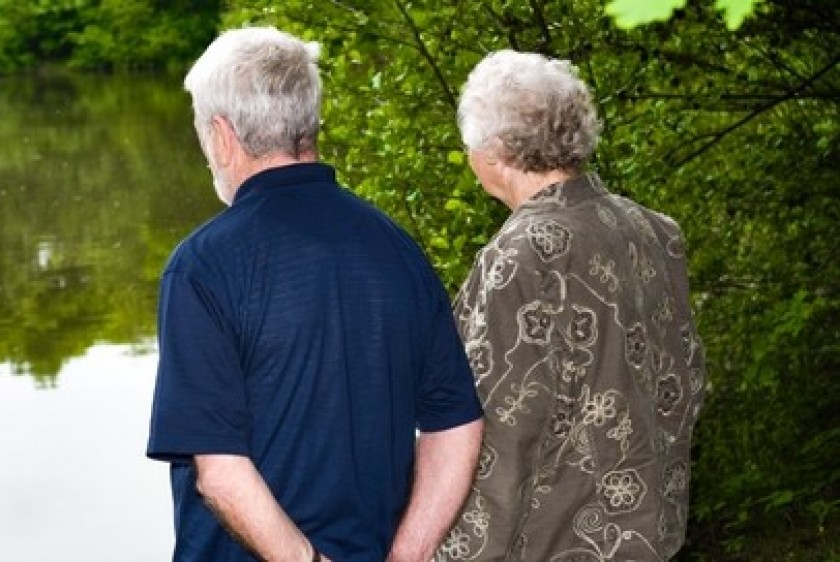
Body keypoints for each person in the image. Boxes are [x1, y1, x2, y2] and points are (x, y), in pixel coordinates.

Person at [145, 27, 485, 562]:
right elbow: (456, 421)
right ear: (308, 125)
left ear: (221, 135)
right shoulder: (395, 246)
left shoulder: (201, 267)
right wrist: (407, 553)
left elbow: (219, 472)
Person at [438, 50, 706, 561]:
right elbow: (686, 379)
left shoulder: (521, 257)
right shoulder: (653, 231)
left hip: (553, 544)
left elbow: (495, 434)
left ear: (492, 152)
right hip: (648, 534)